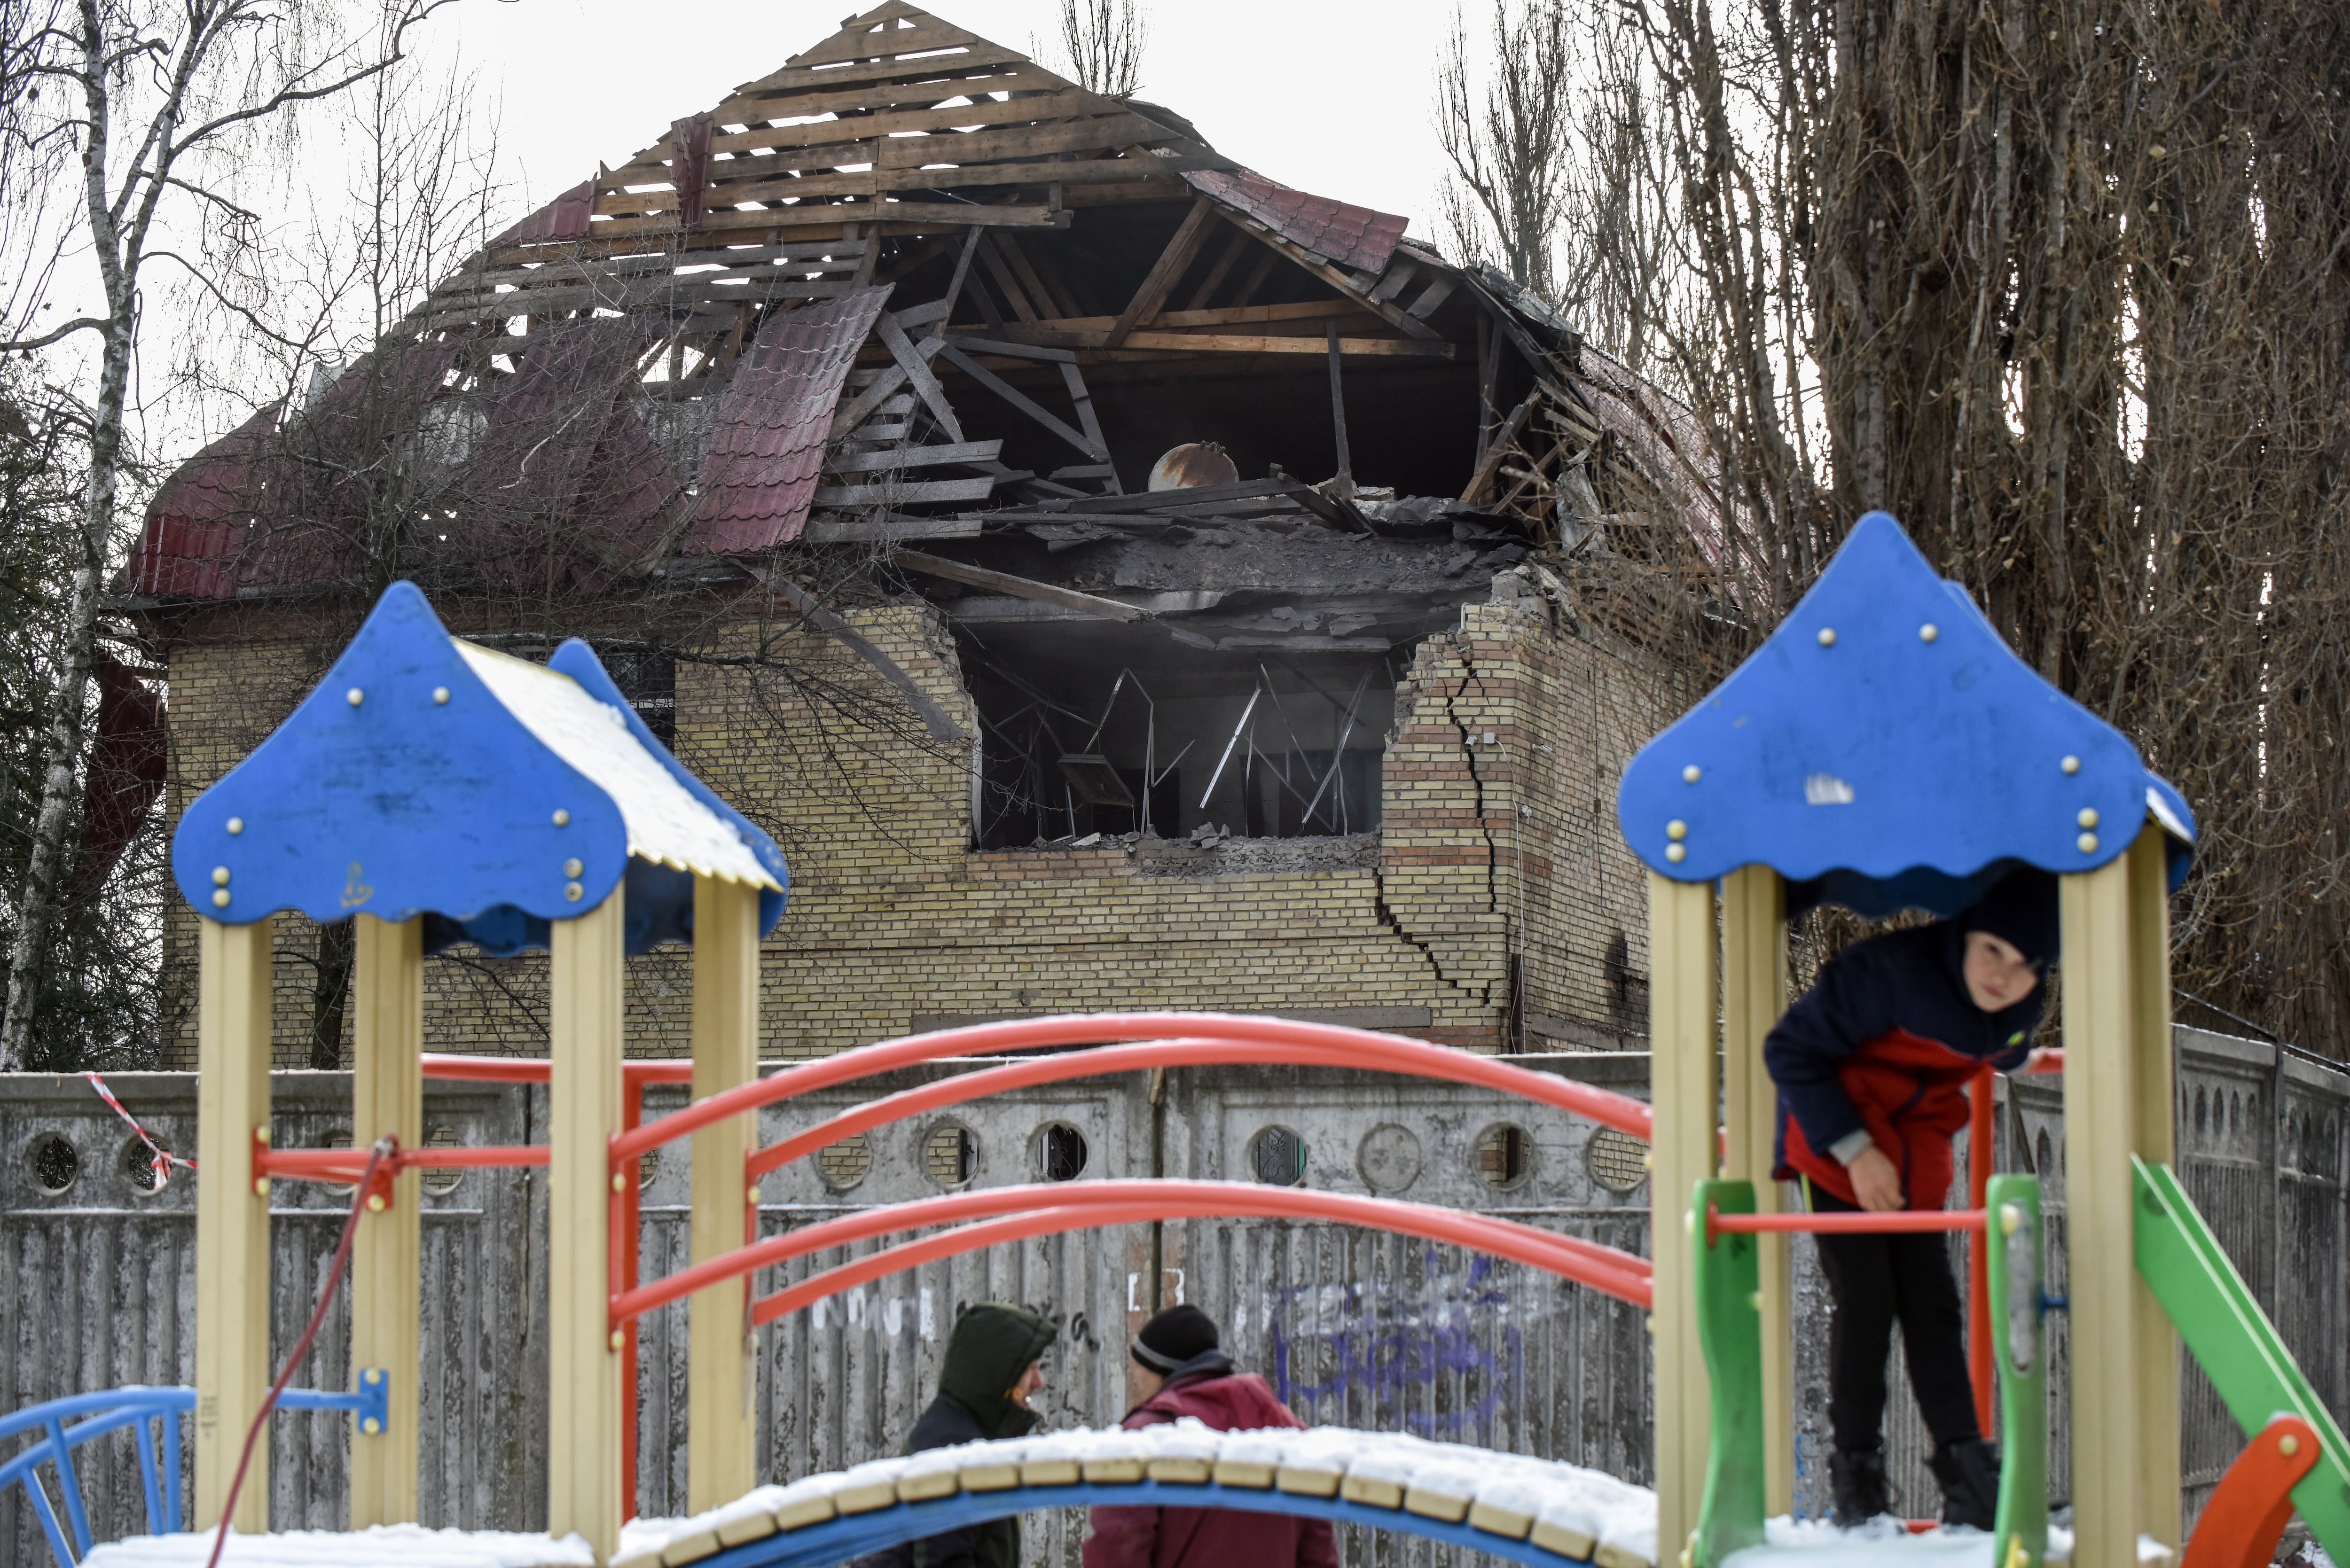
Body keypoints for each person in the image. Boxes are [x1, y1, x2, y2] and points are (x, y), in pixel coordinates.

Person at [1764, 866, 2059, 1531]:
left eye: (2022, 966)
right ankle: (1857, 1479)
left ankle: (1967, 1473)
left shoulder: (2016, 1007)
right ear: (1964, 937)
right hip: (1839, 1138)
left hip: (1912, 1148)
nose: (2001, 976)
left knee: (1933, 1305)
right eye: (1991, 951)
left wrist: (2022, 1059)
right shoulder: (1887, 976)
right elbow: (1789, 1050)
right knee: (1867, 1299)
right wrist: (1854, 1149)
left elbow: (2007, 1049)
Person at [1081, 1305, 1339, 1568]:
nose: (1135, 1378)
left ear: (1160, 1371)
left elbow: (1118, 1546)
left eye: (1139, 1367)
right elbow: (1318, 1550)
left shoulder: (1147, 1436)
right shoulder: (1290, 1432)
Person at [864, 1303, 1057, 1568]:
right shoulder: (950, 1450)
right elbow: (944, 1561)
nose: (1039, 1382)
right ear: (998, 1374)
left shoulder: (969, 1437)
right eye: (1029, 1369)